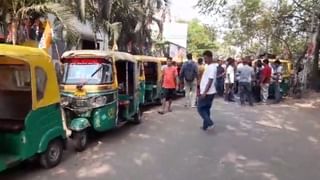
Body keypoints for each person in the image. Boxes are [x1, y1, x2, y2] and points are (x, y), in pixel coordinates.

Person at [198, 50, 217, 131]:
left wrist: (204, 92)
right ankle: (205, 126)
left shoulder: (212, 67)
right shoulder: (208, 66)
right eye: (204, 58)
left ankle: (210, 123)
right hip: (208, 92)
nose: (204, 60)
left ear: (210, 57)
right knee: (206, 109)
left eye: (206, 58)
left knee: (200, 109)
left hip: (208, 92)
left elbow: (210, 80)